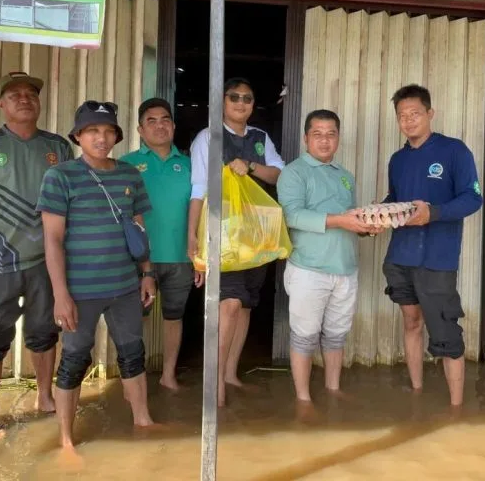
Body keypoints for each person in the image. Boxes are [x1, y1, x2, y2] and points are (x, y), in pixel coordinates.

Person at [0, 71, 73, 439]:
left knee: (44, 333)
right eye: (15, 94)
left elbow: (73, 203)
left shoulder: (58, 146)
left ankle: (44, 395)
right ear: (1, 104)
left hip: (46, 263)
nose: (25, 98)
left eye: (31, 94)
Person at [37, 101, 158, 455]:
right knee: (74, 359)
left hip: (124, 286)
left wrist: (147, 274)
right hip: (80, 291)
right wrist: (60, 294)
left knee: (133, 353)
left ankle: (143, 420)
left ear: (117, 136)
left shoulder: (129, 175)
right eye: (93, 132)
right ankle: (65, 439)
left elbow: (139, 229)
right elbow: (53, 239)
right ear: (78, 136)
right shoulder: (59, 177)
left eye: (108, 132)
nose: (101, 138)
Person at [381, 84, 483, 407]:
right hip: (400, 257)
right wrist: (373, 217)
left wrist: (433, 213)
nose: (409, 121)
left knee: (446, 334)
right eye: (402, 116)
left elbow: (473, 198)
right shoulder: (397, 160)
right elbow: (394, 202)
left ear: (430, 114)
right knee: (411, 321)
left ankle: (455, 411)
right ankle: (416, 392)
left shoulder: (454, 151)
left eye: (415, 114)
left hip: (437, 259)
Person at [187, 77, 285, 407]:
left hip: (257, 234)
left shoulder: (260, 138)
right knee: (227, 304)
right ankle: (213, 382)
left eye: (247, 98)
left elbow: (279, 174)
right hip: (223, 232)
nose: (241, 103)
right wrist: (192, 235)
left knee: (245, 305)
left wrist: (252, 166)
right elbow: (198, 188)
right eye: (234, 97)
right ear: (222, 102)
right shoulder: (208, 137)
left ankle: (229, 373)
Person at [277, 110, 380, 405]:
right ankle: (304, 399)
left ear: (338, 138)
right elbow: (291, 215)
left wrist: (366, 226)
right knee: (305, 336)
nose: (324, 140)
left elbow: (348, 221)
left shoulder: (345, 176)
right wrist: (342, 221)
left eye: (331, 134)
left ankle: (333, 390)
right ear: (306, 137)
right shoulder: (294, 172)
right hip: (309, 269)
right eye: (318, 134)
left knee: (336, 334)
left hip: (346, 269)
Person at [120, 98, 193, 391]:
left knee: (174, 316)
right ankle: (132, 380)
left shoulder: (189, 165)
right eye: (151, 120)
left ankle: (168, 375)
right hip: (137, 259)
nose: (160, 125)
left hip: (180, 257)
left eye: (165, 119)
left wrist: (199, 258)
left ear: (174, 126)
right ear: (140, 128)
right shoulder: (125, 164)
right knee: (134, 319)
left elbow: (201, 212)